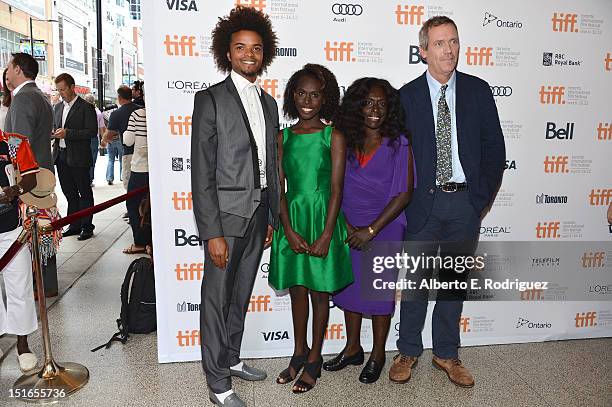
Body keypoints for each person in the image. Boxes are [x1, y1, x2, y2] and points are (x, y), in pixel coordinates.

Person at [393, 16, 505, 388]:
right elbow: (395, 155)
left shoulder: (478, 90)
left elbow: (494, 148)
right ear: (423, 50)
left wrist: (480, 199)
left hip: (464, 205)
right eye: (440, 43)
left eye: (454, 41)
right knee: (416, 284)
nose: (449, 50)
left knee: (454, 282)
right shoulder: (405, 96)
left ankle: (446, 352)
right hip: (422, 206)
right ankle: (408, 349)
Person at [190, 7, 280, 407]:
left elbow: (272, 165)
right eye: (241, 47)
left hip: (259, 213)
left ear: (265, 54)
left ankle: (232, 357)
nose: (249, 54)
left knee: (241, 293)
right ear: (227, 53)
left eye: (256, 48)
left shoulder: (269, 103)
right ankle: (218, 383)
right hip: (225, 218)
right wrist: (211, 231)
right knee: (216, 299)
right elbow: (202, 172)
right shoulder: (209, 99)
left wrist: (273, 217)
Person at [269, 64, 352, 394]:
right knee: (297, 291)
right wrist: (286, 230)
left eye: (315, 94)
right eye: (301, 93)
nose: (307, 100)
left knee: (320, 292)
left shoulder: (334, 135)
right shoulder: (283, 136)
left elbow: (336, 189)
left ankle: (315, 358)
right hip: (292, 218)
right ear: (292, 96)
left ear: (325, 98)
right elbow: (278, 186)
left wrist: (327, 234)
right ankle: (299, 350)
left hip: (322, 220)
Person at [325, 78, 414, 384]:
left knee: (378, 294)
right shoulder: (344, 140)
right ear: (357, 106)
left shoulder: (399, 142)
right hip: (348, 226)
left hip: (385, 227)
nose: (375, 109)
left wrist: (372, 230)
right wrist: (348, 226)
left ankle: (377, 354)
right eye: (368, 102)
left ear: (389, 108)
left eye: (381, 103)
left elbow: (404, 194)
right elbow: (333, 187)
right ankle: (352, 348)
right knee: (348, 289)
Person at [4, 52, 58, 296]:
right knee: (43, 228)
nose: (6, 72)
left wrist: (15, 181)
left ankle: (36, 286)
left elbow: (19, 144)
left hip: (28, 178)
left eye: (9, 67)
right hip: (42, 172)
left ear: (18, 69)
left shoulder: (24, 98)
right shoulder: (39, 96)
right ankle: (46, 285)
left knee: (32, 230)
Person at [0, 129, 40, 373]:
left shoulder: (13, 142)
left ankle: (23, 344)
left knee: (20, 285)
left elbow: (31, 178)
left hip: (10, 231)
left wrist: (13, 192)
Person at [52, 73, 97, 241]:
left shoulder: (86, 107)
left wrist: (68, 133)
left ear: (72, 87)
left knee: (84, 192)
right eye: (58, 90)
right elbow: (56, 127)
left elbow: (91, 132)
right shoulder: (57, 107)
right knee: (69, 192)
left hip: (79, 156)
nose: (61, 93)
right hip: (61, 156)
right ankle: (74, 224)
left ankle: (87, 226)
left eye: (63, 89)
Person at [122, 107, 148, 254]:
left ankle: (140, 243)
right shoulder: (163, 110)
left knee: (133, 206)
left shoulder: (137, 114)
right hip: (160, 169)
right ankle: (152, 241)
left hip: (140, 168)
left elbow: (128, 140)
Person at [103, 86, 138, 187]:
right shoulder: (141, 110)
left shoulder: (116, 114)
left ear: (119, 97)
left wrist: (104, 139)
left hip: (128, 151)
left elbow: (108, 135)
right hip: (143, 151)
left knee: (130, 186)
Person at [84, 94, 106, 186]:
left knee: (83, 160)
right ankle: (90, 180)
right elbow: (101, 128)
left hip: (83, 138)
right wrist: (103, 140)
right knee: (92, 160)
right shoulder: (98, 112)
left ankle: (84, 179)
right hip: (94, 139)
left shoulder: (82, 111)